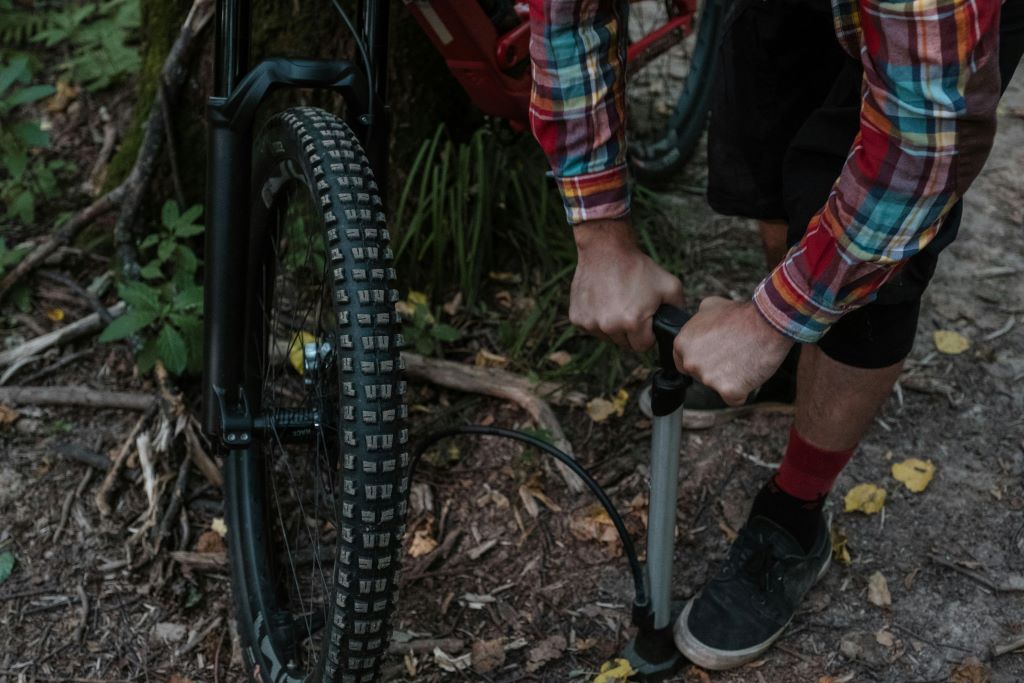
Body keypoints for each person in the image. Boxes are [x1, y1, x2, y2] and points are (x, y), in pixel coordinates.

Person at [529, 0, 1023, 670]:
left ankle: (794, 511)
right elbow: (567, 12)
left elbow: (924, 146)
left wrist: (773, 319)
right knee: (770, 138)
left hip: (930, 48)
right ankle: (792, 368)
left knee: (875, 267)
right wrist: (600, 232)